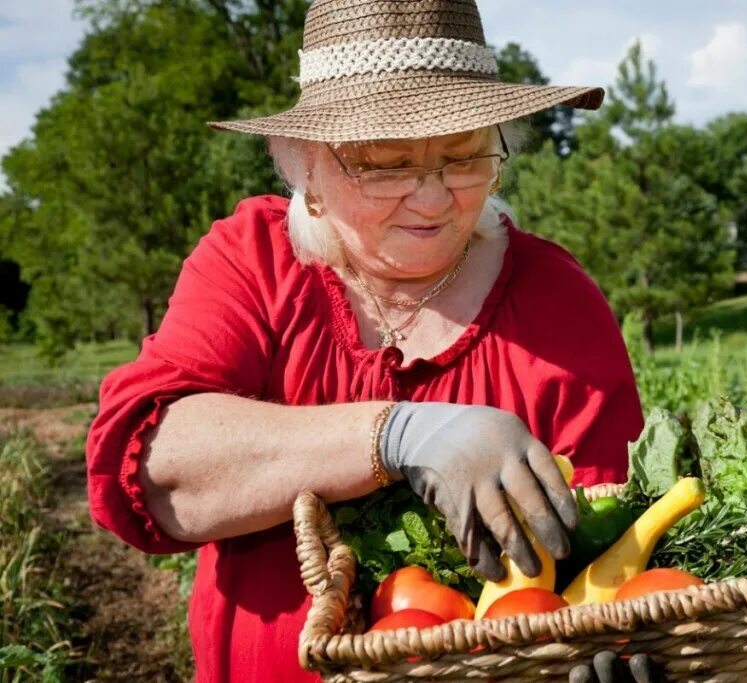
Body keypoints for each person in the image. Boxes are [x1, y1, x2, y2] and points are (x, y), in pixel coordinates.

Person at [86, 0, 647, 680]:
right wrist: (394, 435)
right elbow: (154, 466)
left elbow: (611, 544)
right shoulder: (253, 261)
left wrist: (604, 641)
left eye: (464, 155)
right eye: (385, 164)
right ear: (304, 167)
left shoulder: (558, 306)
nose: (435, 198)